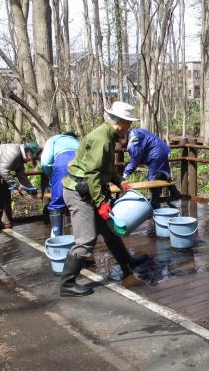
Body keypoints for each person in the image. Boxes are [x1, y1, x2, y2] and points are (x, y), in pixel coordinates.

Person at [60, 101, 150, 297]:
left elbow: (105, 169)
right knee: (86, 239)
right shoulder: (103, 139)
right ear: (120, 122)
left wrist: (119, 182)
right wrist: (101, 203)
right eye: (128, 123)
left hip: (90, 190)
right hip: (79, 193)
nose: (129, 127)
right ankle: (67, 284)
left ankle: (127, 261)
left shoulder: (108, 135)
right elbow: (92, 173)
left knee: (110, 232)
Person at [122, 127, 181, 209]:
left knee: (152, 178)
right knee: (162, 173)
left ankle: (155, 202)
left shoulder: (133, 142)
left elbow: (134, 160)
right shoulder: (135, 132)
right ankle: (175, 193)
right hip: (161, 149)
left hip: (156, 154)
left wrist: (125, 174)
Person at [39, 132, 80, 237]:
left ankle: (56, 237)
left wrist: (51, 175)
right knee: (81, 201)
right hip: (82, 163)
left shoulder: (53, 139)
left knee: (57, 202)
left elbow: (45, 163)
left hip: (63, 163)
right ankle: (82, 239)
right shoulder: (77, 142)